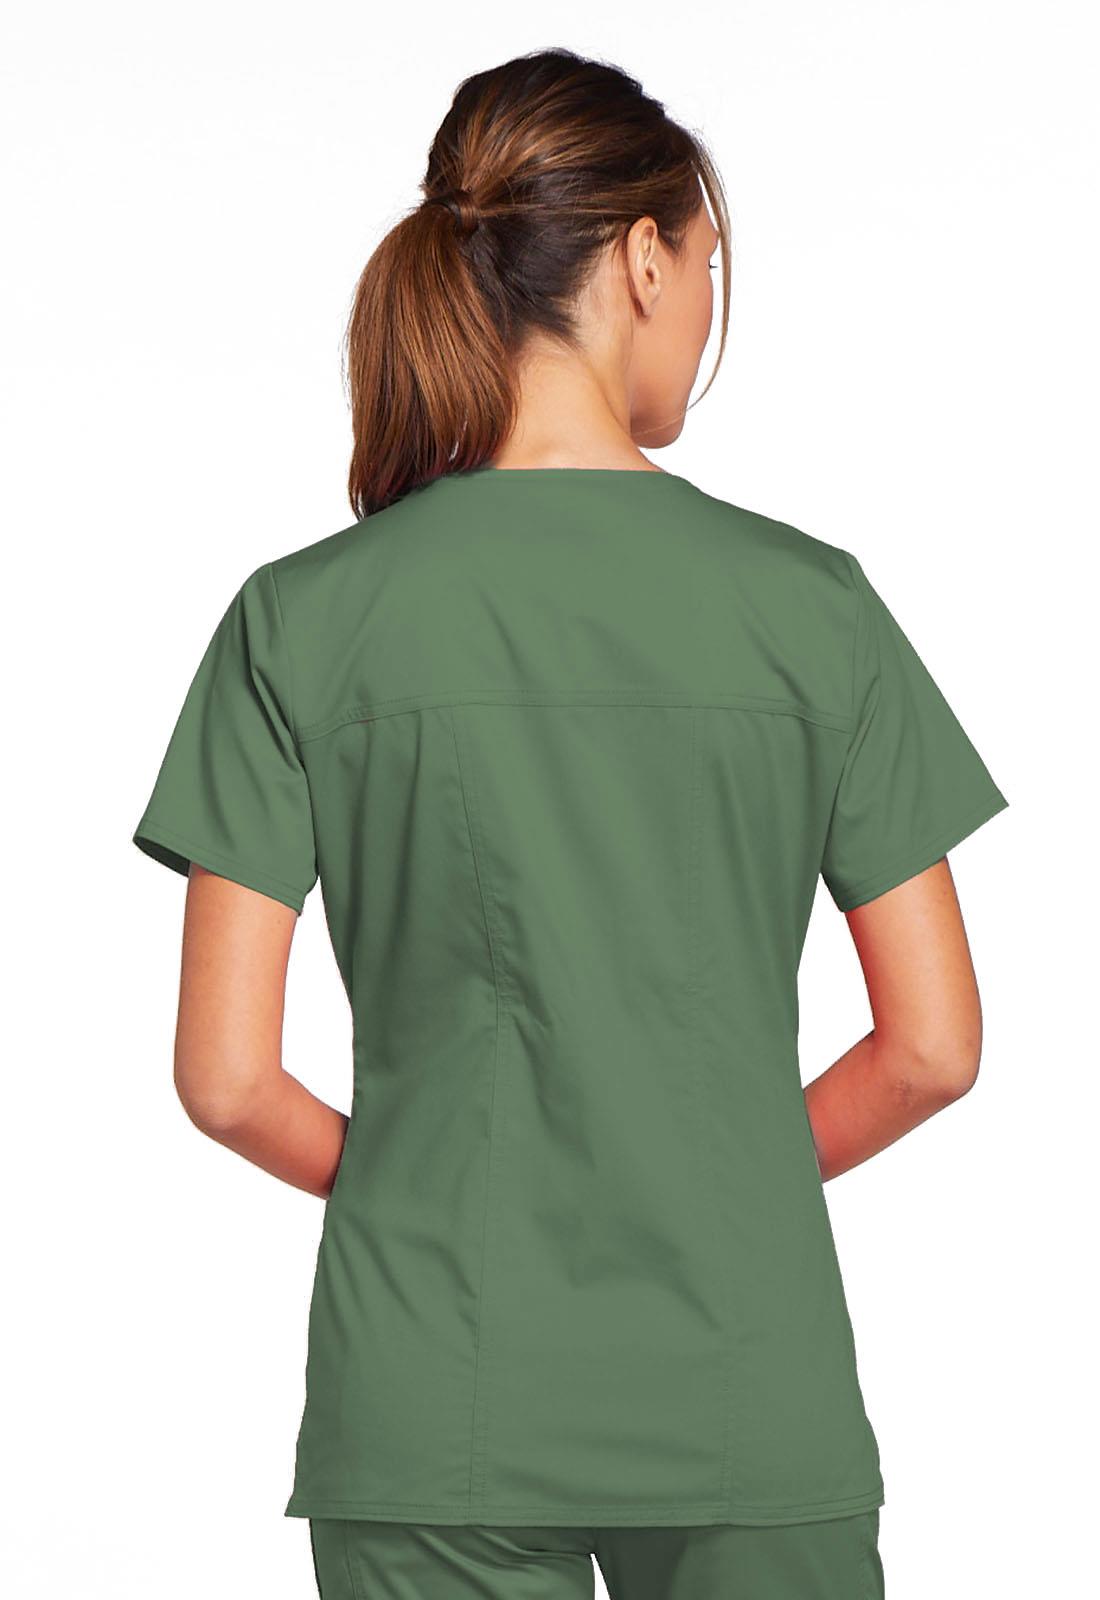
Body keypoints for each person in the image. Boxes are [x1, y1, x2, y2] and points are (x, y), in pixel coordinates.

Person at [132, 46, 1008, 1600]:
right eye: (709, 264)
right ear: (645, 257)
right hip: (746, 1386)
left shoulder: (301, 620)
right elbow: (933, 1047)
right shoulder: (812, 609)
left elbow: (224, 1078)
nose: (708, 309)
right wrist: (716, 1173)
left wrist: (432, 1193)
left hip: (434, 1391)